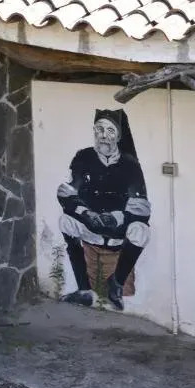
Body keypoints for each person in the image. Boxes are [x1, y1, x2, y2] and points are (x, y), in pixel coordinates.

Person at [56, 109, 151, 310]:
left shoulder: (130, 165)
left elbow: (142, 207)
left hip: (118, 232)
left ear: (118, 136)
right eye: (99, 129)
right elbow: (66, 192)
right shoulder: (83, 157)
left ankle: (116, 284)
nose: (103, 135)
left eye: (110, 130)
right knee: (65, 221)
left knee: (141, 231)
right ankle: (84, 291)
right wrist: (85, 213)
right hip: (90, 226)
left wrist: (118, 218)